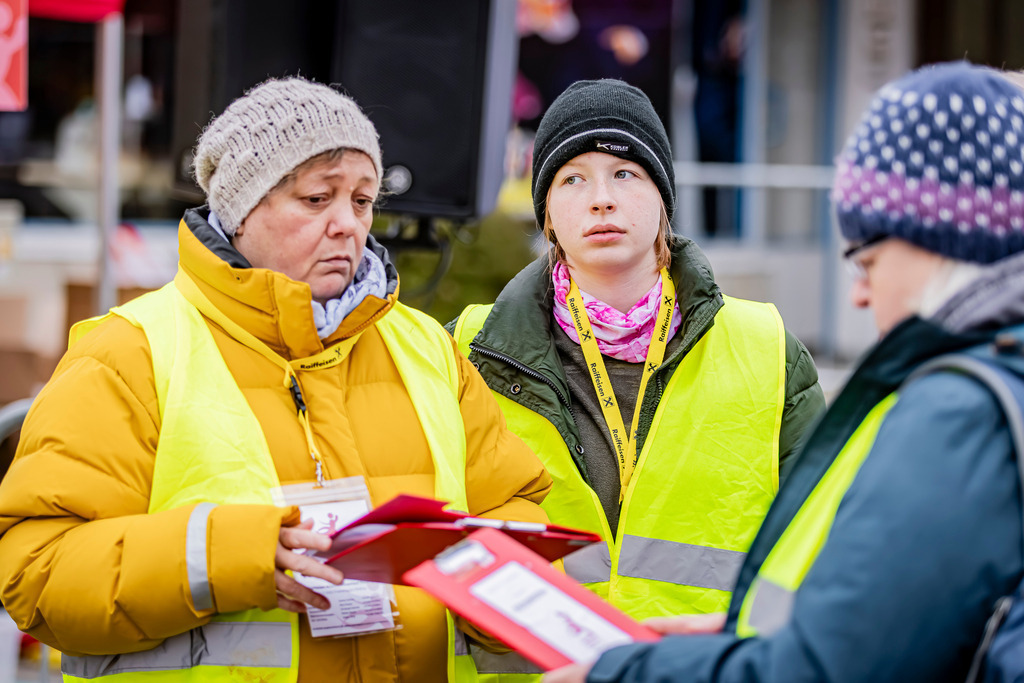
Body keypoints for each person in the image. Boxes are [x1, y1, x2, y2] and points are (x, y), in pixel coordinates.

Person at [0, 77, 553, 682]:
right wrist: (224, 556)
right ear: (240, 211)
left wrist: (489, 574)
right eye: (318, 199)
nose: (348, 223)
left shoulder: (428, 347)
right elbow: (38, 572)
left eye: (363, 200)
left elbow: (513, 506)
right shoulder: (128, 353)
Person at [543, 61, 1024, 683]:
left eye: (867, 257)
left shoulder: (960, 406)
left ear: (947, 239)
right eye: (571, 179)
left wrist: (615, 674)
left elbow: (832, 668)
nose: (859, 294)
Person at [448, 78, 825, 676]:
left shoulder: (767, 349)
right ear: (547, 212)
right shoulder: (465, 352)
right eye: (572, 178)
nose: (601, 198)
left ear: (662, 199)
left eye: (625, 173)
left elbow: (823, 546)